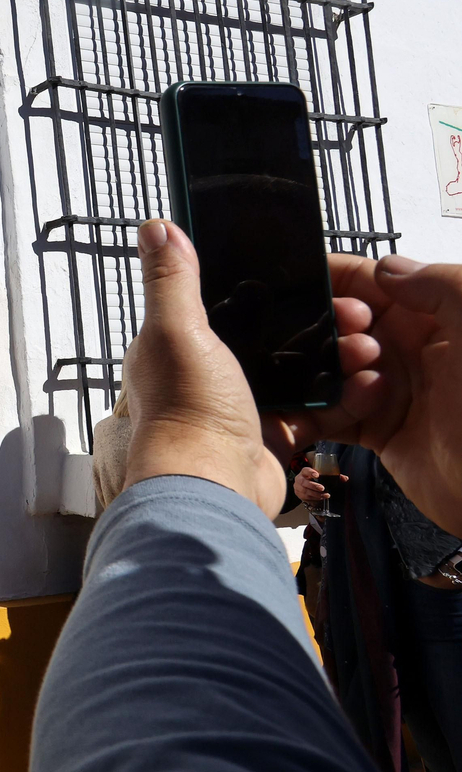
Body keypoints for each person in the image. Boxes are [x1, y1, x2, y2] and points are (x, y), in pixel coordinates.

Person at [33, 218, 462, 770]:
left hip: (423, 587)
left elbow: (174, 736)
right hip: (375, 590)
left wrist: (185, 455)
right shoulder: (146, 407)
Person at [293, 444, 462, 772]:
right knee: (429, 737)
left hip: (445, 594)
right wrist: (310, 496)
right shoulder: (344, 426)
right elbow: (339, 514)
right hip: (378, 591)